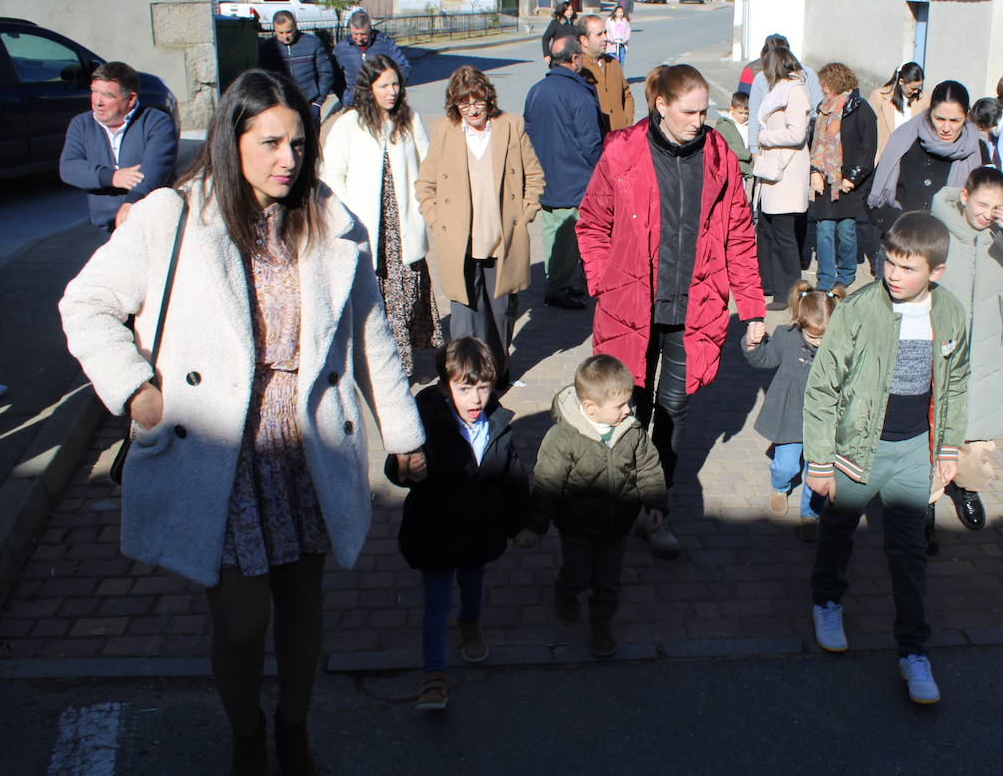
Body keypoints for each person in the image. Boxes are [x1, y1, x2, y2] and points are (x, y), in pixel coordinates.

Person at [58, 69, 426, 774]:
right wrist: (137, 392)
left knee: (301, 610)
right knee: (238, 622)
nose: (289, 158)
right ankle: (244, 731)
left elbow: (371, 336)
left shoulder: (328, 219)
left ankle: (293, 726)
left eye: (297, 142)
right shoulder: (175, 217)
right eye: (271, 142)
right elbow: (86, 304)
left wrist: (406, 436)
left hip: (305, 443)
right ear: (234, 140)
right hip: (220, 450)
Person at [576, 64, 766, 559]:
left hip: (695, 309)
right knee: (629, 406)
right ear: (661, 105)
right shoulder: (622, 151)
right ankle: (622, 500)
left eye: (705, 111)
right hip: (629, 306)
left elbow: (740, 236)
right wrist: (604, 281)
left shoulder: (719, 154)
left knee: (675, 409)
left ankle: (656, 508)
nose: (700, 121)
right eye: (691, 111)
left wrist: (751, 308)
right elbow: (592, 223)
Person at [805, 212, 969, 706]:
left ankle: (913, 652)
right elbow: (822, 387)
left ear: (935, 272)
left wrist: (948, 449)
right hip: (858, 450)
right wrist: (818, 459)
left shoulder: (952, 313)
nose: (893, 274)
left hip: (913, 451)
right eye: (888, 262)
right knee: (838, 527)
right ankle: (827, 600)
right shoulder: (857, 309)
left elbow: (955, 384)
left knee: (909, 553)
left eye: (907, 267)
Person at [384, 337, 529, 713]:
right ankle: (433, 675)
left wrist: (522, 523)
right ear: (446, 385)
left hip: (479, 530)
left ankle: (470, 624)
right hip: (435, 531)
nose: (476, 399)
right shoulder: (425, 420)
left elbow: (513, 478)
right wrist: (404, 469)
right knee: (436, 604)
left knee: (472, 582)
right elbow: (400, 462)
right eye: (466, 389)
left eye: (483, 387)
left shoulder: (497, 423)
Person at [514, 355, 667, 658]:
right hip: (576, 528)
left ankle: (601, 627)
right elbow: (547, 486)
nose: (628, 411)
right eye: (620, 406)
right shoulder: (563, 438)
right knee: (578, 575)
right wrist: (535, 526)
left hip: (617, 527)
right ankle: (565, 593)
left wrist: (655, 502)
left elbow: (649, 467)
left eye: (628, 403)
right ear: (590, 408)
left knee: (608, 583)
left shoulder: (631, 431)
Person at [931, 168, 1003, 532]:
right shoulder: (936, 231)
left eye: (997, 207)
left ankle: (968, 488)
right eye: (981, 204)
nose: (987, 213)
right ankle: (924, 504)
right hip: (942, 348)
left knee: (976, 439)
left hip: (987, 352)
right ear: (964, 196)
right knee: (932, 430)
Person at [416, 66, 544, 386]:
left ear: (488, 98)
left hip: (501, 237)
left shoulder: (510, 126)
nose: (472, 110)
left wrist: (525, 213)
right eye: (464, 104)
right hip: (459, 240)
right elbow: (425, 184)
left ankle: (497, 370)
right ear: (454, 105)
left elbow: (534, 175)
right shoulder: (445, 131)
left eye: (478, 102)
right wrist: (436, 220)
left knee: (500, 314)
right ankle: (466, 376)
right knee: (464, 316)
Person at [321, 55, 441, 377]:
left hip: (403, 226)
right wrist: (349, 212)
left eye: (396, 84)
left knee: (406, 292)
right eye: (384, 85)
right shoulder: (350, 122)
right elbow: (333, 172)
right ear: (369, 87)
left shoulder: (409, 119)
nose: (392, 91)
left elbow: (428, 164)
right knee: (374, 295)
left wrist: (425, 204)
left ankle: (401, 364)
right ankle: (377, 363)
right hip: (368, 226)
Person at [742, 280, 845, 540]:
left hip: (823, 421)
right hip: (789, 414)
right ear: (799, 322)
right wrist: (753, 345)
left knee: (818, 471)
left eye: (825, 337)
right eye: (813, 337)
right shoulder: (785, 336)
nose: (819, 343)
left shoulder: (840, 346)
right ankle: (780, 486)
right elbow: (765, 359)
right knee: (785, 466)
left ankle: (811, 514)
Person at [524, 36, 603, 310]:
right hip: (574, 177)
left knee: (552, 231)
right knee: (568, 235)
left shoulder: (537, 89)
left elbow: (529, 133)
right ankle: (558, 288)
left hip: (545, 174)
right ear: (574, 59)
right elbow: (590, 142)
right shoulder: (579, 93)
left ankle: (556, 282)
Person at [59, 61, 178, 232]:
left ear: (130, 99)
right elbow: (69, 167)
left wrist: (132, 202)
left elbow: (156, 169)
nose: (98, 101)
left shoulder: (156, 121)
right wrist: (111, 176)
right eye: (94, 92)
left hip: (153, 221)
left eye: (107, 95)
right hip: (106, 226)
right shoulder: (81, 124)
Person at [867, 79, 984, 239]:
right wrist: (897, 226)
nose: (946, 128)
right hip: (899, 242)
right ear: (930, 113)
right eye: (940, 119)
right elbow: (874, 191)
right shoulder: (905, 139)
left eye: (955, 121)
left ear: (966, 116)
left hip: (947, 248)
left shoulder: (977, 151)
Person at [808, 62, 877, 291]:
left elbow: (868, 147)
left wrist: (853, 178)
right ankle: (826, 277)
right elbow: (815, 145)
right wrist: (815, 172)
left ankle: (847, 272)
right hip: (826, 180)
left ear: (833, 83)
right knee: (824, 228)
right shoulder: (822, 109)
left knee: (847, 230)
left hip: (847, 181)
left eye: (824, 84)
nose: (821, 88)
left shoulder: (860, 108)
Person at [754, 46, 812, 310]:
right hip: (775, 169)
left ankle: (787, 292)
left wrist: (765, 137)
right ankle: (769, 283)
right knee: (767, 228)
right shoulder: (780, 90)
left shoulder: (795, 91)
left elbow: (797, 134)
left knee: (783, 234)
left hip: (787, 170)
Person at [746, 34, 822, 154]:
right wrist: (754, 148)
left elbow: (817, 112)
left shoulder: (807, 75)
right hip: (769, 149)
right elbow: (754, 115)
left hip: (798, 147)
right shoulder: (761, 78)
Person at [258, 10, 333, 128]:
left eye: (289, 31)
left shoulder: (312, 43)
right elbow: (263, 78)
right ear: (274, 29)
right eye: (280, 33)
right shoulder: (268, 48)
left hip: (309, 104)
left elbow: (326, 73)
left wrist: (319, 101)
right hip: (281, 105)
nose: (285, 36)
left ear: (295, 26)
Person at [332, 10, 410, 109]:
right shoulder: (341, 48)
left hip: (381, 104)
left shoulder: (385, 43)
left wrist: (392, 87)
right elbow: (334, 76)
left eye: (363, 34)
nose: (359, 38)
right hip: (355, 104)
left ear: (370, 30)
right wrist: (346, 98)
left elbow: (403, 67)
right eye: (355, 34)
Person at [577, 14, 635, 134]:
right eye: (599, 34)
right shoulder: (578, 68)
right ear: (584, 40)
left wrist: (626, 122)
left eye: (605, 33)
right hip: (595, 142)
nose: (605, 38)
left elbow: (627, 95)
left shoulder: (613, 63)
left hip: (619, 137)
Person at [868, 62, 925, 163]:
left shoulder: (923, 100)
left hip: (909, 160)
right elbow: (867, 130)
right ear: (901, 81)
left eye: (919, 88)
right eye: (913, 88)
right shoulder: (879, 97)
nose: (916, 92)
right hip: (884, 158)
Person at [714, 91, 753, 193]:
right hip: (731, 170)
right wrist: (748, 154)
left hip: (746, 172)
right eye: (740, 113)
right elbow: (727, 146)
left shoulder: (750, 126)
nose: (744, 116)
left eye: (747, 113)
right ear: (732, 109)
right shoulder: (724, 126)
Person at [540, 1, 579, 66]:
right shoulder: (556, 23)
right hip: (558, 58)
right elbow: (545, 39)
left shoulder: (574, 25)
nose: (570, 12)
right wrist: (546, 55)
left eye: (571, 10)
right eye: (567, 10)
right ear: (562, 11)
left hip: (571, 59)